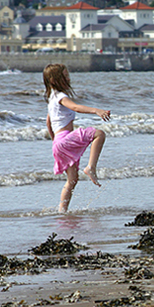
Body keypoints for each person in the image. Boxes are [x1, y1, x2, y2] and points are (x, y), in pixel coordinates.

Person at [44, 63, 111, 213]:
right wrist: (96, 110)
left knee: (72, 180)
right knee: (99, 134)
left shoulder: (51, 98)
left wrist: (54, 140)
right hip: (64, 139)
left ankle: (62, 211)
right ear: (55, 80)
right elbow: (75, 107)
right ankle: (91, 168)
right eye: (65, 76)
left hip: (58, 143)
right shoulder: (61, 97)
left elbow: (49, 121)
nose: (69, 78)